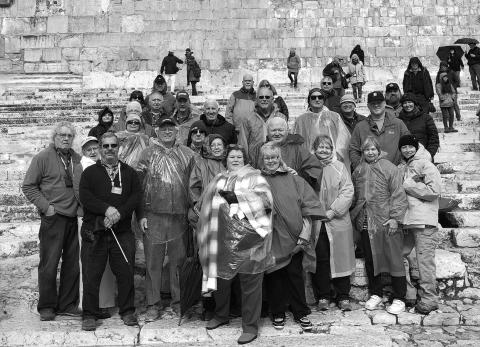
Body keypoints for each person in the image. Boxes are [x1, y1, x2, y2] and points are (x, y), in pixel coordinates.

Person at [197, 144, 273, 345]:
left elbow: (266, 203)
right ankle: (221, 314)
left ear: (245, 159)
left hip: (250, 242)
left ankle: (250, 327)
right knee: (221, 279)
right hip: (221, 240)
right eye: (232, 156)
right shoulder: (219, 179)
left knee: (250, 283)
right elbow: (205, 206)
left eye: (239, 156)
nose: (236, 159)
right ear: (226, 159)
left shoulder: (256, 178)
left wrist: (238, 197)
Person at [79, 132, 141, 331]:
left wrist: (119, 214)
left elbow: (135, 197)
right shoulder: (90, 172)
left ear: (118, 147)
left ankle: (128, 310)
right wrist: (106, 210)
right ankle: (89, 314)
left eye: (113, 145)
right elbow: (85, 197)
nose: (109, 149)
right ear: (100, 149)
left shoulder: (129, 173)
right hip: (94, 231)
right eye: (105, 146)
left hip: (121, 231)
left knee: (125, 271)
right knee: (91, 273)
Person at [137, 118, 196, 322]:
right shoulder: (148, 153)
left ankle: (179, 301)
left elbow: (195, 183)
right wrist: (141, 214)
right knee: (153, 262)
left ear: (177, 130)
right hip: (153, 215)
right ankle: (153, 304)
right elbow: (139, 186)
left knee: (178, 262)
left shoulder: (187, 154)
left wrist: (192, 211)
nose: (167, 131)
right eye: (164, 128)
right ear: (157, 131)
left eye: (171, 127)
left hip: (179, 216)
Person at [260, 143, 324, 331]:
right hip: (271, 239)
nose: (271, 161)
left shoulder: (295, 180)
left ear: (280, 158)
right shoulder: (256, 180)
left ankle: (300, 312)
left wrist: (304, 237)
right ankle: (278, 312)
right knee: (274, 276)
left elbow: (309, 207)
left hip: (294, 238)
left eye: (274, 157)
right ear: (262, 160)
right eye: (267, 158)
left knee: (295, 275)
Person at [22, 121, 81, 321]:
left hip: (74, 218)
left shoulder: (76, 158)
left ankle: (67, 304)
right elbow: (29, 186)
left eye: (69, 136)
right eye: (61, 135)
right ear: (54, 137)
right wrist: (46, 208)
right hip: (53, 218)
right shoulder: (42, 157)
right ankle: (46, 306)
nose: (65, 138)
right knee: (49, 263)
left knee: (73, 264)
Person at [351, 137, 408, 315]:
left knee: (394, 259)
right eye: (366, 150)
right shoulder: (358, 170)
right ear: (362, 152)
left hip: (386, 221)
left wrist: (395, 219)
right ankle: (376, 293)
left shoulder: (389, 168)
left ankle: (400, 297)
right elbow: (355, 196)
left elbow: (398, 194)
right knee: (370, 258)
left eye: (373, 149)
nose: (370, 152)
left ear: (378, 150)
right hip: (366, 221)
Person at [309, 135, 355, 312]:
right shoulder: (310, 167)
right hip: (317, 222)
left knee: (340, 256)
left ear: (332, 149)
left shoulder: (339, 167)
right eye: (320, 147)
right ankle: (323, 295)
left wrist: (333, 211)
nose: (324, 150)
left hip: (338, 221)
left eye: (327, 147)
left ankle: (343, 296)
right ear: (314, 148)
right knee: (320, 258)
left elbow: (347, 191)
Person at [73, 136, 116, 318]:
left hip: (107, 218)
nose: (92, 151)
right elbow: (80, 194)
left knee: (105, 265)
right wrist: (99, 210)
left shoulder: (103, 165)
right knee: (91, 264)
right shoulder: (81, 167)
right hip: (90, 219)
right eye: (88, 149)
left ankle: (104, 303)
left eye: (94, 147)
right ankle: (90, 306)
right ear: (83, 151)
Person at [398, 135, 441, 315]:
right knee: (398, 256)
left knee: (424, 262)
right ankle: (410, 293)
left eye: (410, 146)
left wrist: (409, 185)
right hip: (406, 220)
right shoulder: (401, 167)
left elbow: (434, 191)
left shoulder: (426, 165)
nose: (407, 149)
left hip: (424, 220)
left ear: (416, 147)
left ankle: (429, 299)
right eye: (404, 147)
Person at [249, 117, 321, 183]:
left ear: (287, 131)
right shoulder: (258, 149)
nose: (277, 133)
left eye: (280, 130)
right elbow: (249, 172)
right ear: (267, 132)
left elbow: (315, 169)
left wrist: (298, 175)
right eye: (273, 130)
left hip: (290, 190)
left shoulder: (298, 150)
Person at [349, 91, 410, 169]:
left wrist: (403, 165)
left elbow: (409, 145)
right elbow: (353, 150)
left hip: (395, 171)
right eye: (373, 103)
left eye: (379, 102)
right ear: (368, 106)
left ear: (384, 103)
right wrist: (360, 168)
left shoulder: (398, 123)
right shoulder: (360, 127)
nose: (376, 105)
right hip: (369, 175)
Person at [294, 88, 351, 170]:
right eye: (313, 97)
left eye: (320, 97)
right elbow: (297, 144)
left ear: (323, 100)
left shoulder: (335, 117)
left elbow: (343, 140)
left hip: (332, 162)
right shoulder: (300, 120)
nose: (317, 100)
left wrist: (336, 157)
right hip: (309, 164)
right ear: (309, 100)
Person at [238, 87, 287, 154]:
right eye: (261, 97)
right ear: (256, 100)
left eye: (267, 97)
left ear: (272, 100)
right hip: (255, 162)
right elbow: (243, 143)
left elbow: (286, 142)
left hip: (275, 160)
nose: (264, 99)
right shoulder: (248, 119)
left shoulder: (281, 117)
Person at [397, 93, 439, 159]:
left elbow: (434, 139)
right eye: (405, 103)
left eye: (410, 102)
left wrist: (429, 154)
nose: (407, 105)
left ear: (414, 103)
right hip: (404, 158)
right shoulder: (399, 120)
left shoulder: (426, 118)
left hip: (423, 157)